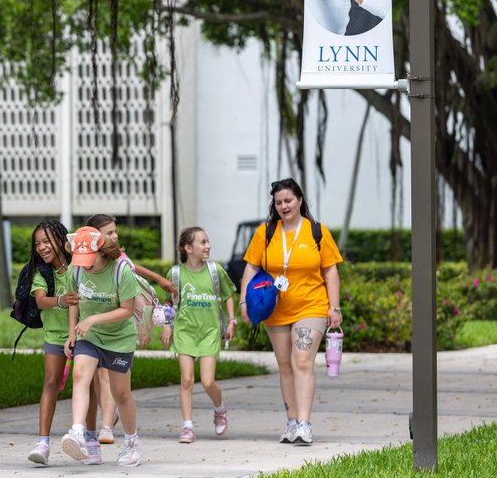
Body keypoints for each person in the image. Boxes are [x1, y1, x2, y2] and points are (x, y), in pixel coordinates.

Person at [239, 178, 343, 445]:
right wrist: (243, 303)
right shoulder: (266, 232)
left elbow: (330, 271)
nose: (284, 206)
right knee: (285, 366)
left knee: (303, 361)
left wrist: (334, 307)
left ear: (300, 200)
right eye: (279, 202)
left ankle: (305, 424)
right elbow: (250, 268)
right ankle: (292, 422)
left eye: (288, 200)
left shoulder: (317, 232)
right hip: (274, 308)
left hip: (311, 306)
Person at [60, 226, 145, 467]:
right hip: (90, 336)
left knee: (120, 393)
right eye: (82, 260)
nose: (86, 266)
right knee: (80, 375)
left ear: (102, 251)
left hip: (119, 338)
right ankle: (80, 434)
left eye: (90, 260)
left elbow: (127, 310)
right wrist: (71, 333)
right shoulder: (76, 271)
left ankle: (132, 442)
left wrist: (93, 319)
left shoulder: (121, 271)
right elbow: (74, 301)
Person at [83, 213, 171, 446]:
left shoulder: (117, 258)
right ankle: (108, 418)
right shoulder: (84, 260)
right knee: (96, 376)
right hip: (94, 324)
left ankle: (106, 425)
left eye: (115, 231)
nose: (115, 235)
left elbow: (132, 266)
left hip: (119, 322)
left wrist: (159, 279)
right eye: (109, 232)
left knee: (108, 376)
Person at [161, 227, 236, 444]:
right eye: (202, 242)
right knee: (186, 380)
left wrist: (231, 321)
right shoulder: (175, 274)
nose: (207, 246)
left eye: (208, 241)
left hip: (209, 332)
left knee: (208, 381)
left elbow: (228, 294)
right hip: (185, 331)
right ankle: (187, 427)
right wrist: (167, 325)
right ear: (188, 248)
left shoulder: (215, 271)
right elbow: (168, 302)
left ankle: (220, 409)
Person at [24, 220, 80, 465]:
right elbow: (40, 301)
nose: (42, 247)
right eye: (37, 244)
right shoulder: (41, 273)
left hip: (82, 335)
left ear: (60, 240)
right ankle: (43, 443)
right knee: (50, 383)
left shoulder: (78, 267)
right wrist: (60, 301)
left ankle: (88, 436)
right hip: (54, 336)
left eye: (46, 241)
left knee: (84, 385)